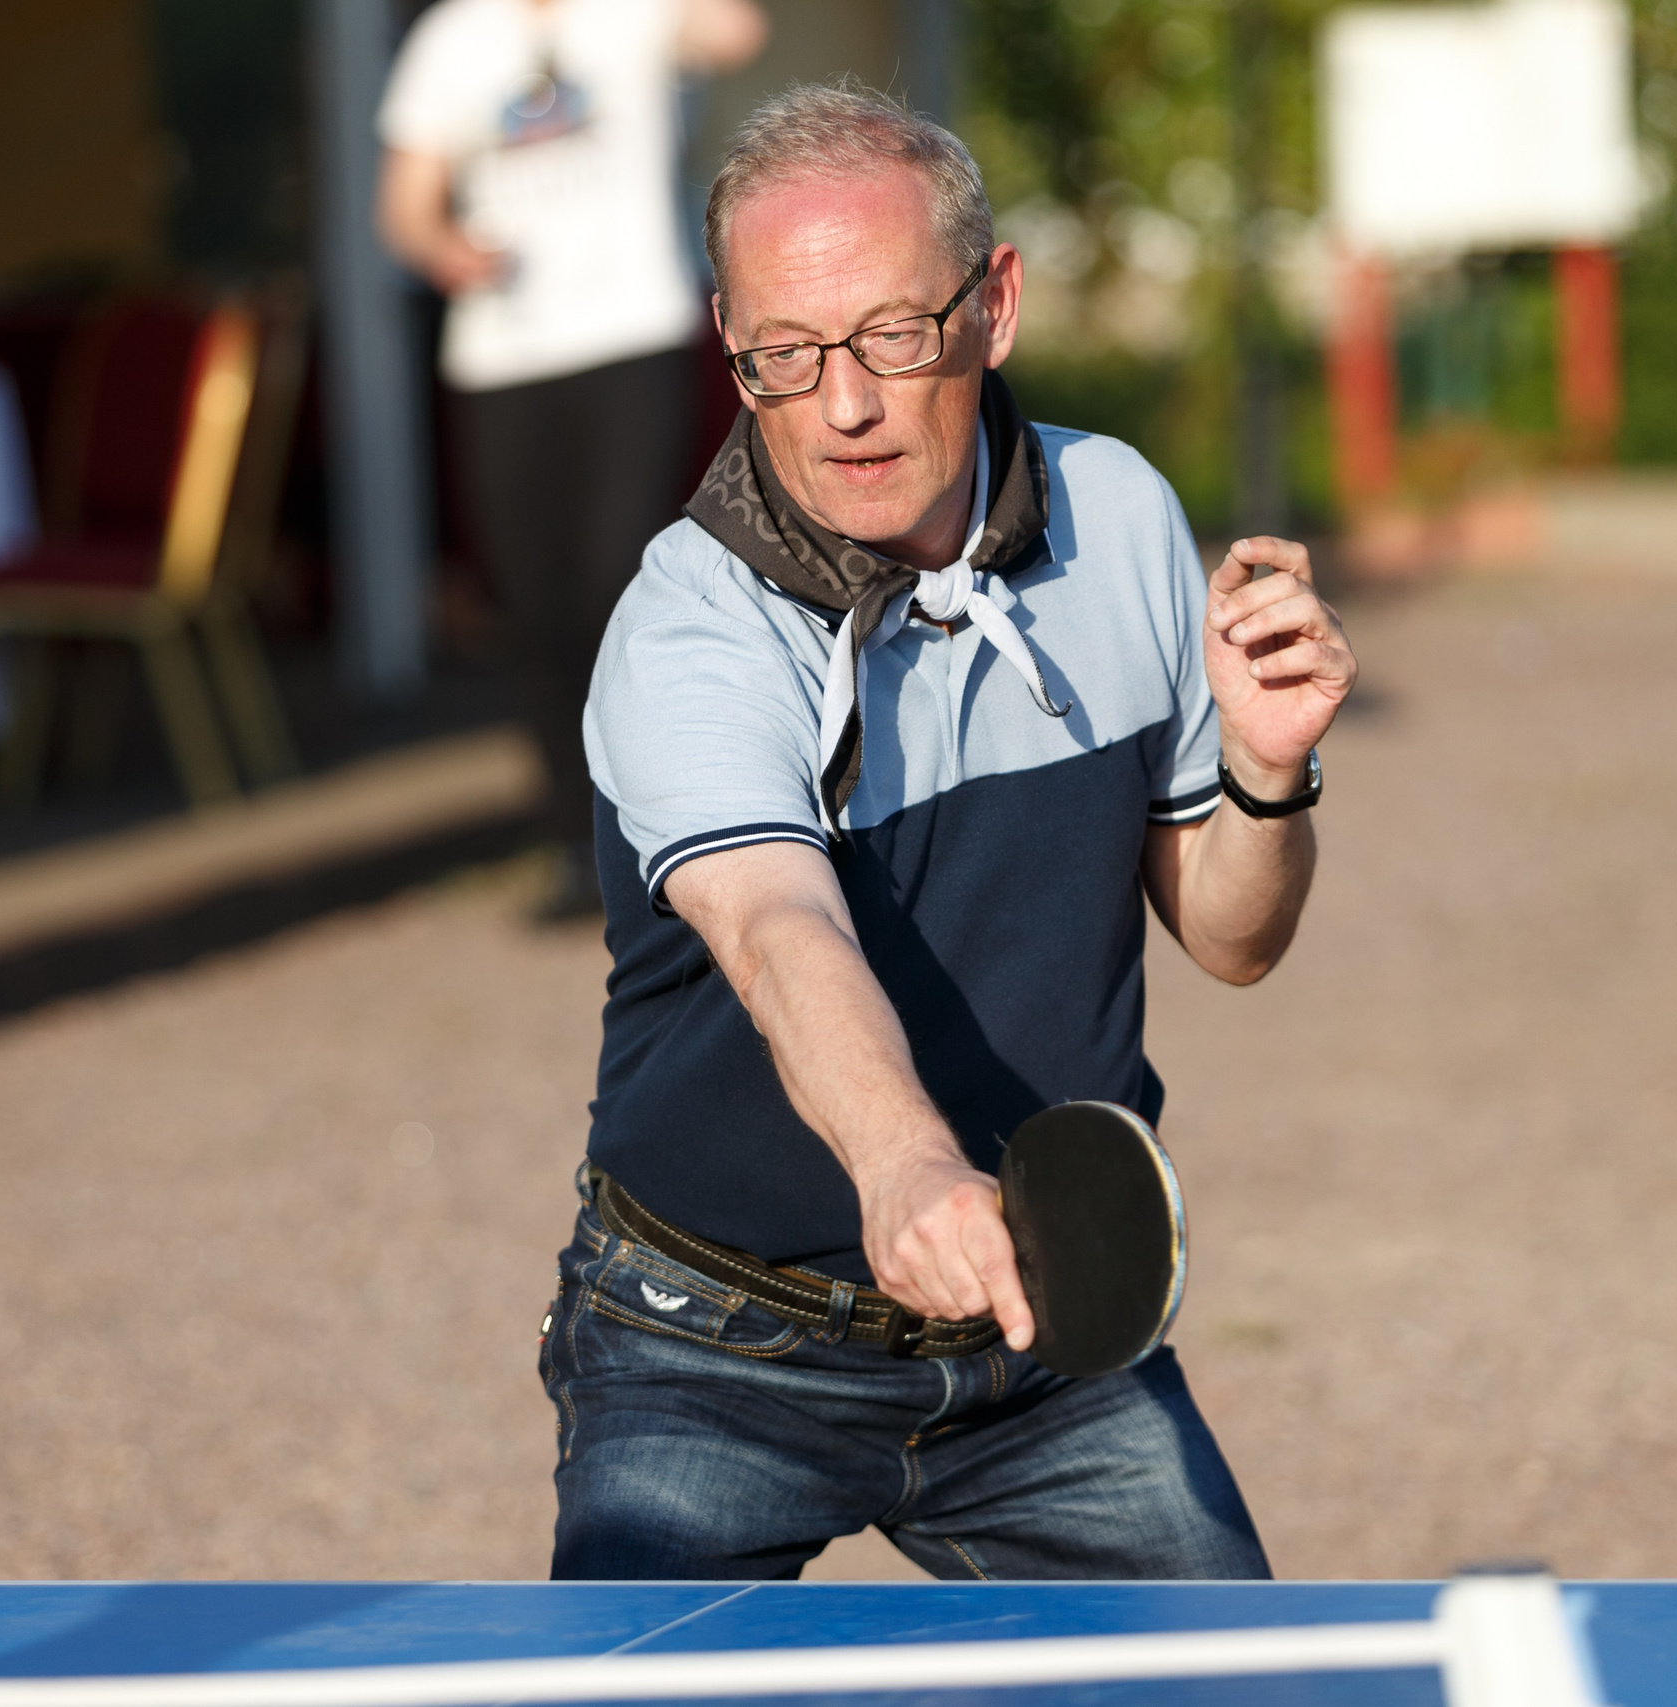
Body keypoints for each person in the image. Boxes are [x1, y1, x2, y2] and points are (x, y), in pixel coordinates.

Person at [541, 83, 1360, 1579]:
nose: (840, 404)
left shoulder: (1117, 519)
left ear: (993, 304)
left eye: (888, 336)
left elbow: (1235, 937)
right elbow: (778, 929)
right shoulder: (686, 624)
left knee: (1246, 1693)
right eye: (780, 357)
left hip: (1042, 1331)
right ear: (728, 338)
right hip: (714, 1342)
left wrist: (1267, 769)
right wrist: (909, 1165)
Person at [376, 0, 768, 919]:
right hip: (502, 355)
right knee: (533, 600)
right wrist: (444, 250)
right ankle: (571, 837)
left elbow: (737, 30)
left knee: (617, 581)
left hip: (630, 336)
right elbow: (403, 208)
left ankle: (663, 818)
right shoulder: (451, 37)